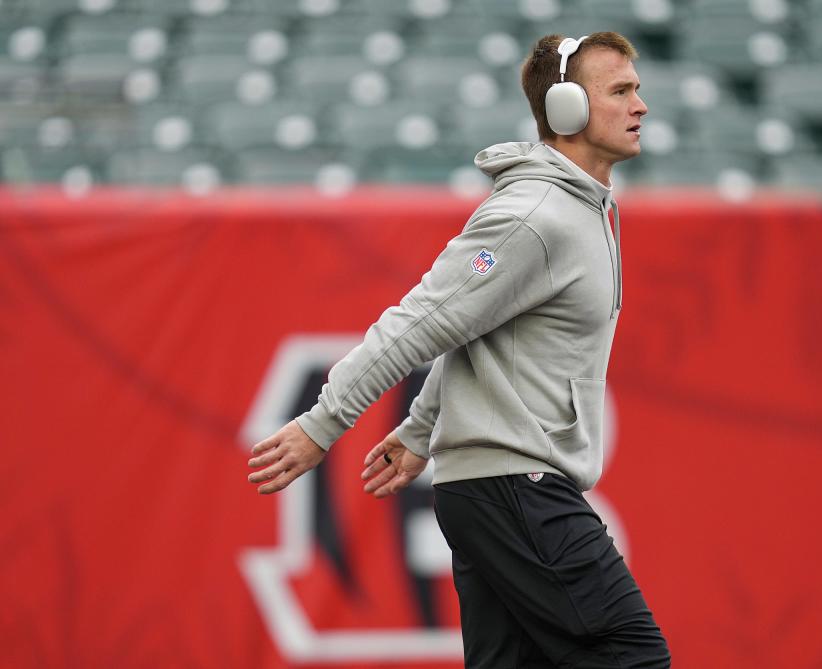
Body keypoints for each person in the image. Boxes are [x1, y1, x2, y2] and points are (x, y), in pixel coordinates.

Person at [248, 31, 670, 668]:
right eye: (621, 90)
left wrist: (421, 429)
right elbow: (422, 320)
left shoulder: (577, 210)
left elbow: (480, 330)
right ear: (566, 111)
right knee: (630, 652)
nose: (641, 105)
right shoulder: (536, 216)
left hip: (495, 488)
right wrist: (323, 422)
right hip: (516, 488)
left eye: (636, 88)